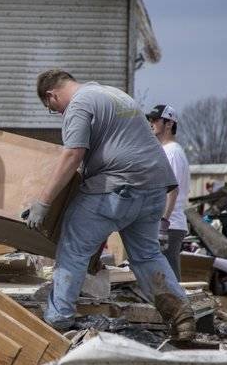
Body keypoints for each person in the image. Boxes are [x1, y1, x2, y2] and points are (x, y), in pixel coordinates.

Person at [23, 69, 195, 339]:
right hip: (154, 188)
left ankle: (58, 319)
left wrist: (43, 202)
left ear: (52, 95)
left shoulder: (79, 104)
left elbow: (72, 154)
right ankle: (182, 316)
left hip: (118, 185)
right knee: (147, 254)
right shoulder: (116, 95)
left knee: (74, 245)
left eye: (51, 108)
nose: (56, 113)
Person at [147, 104, 190, 278]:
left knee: (169, 277)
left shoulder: (172, 152)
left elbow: (172, 190)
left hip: (169, 226)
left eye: (156, 120)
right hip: (165, 224)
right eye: (150, 120)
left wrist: (163, 224)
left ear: (169, 124)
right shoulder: (165, 150)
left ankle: (179, 305)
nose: (151, 123)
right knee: (161, 276)